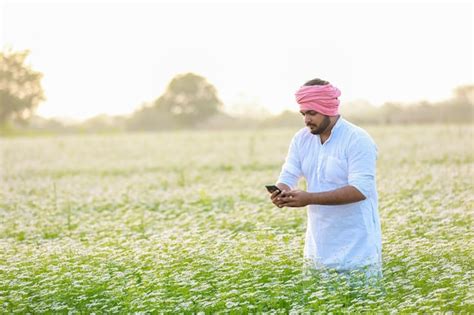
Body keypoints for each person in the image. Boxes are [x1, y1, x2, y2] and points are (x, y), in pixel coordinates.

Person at [270, 78, 382, 282]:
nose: (306, 119)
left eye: (312, 113)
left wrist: (309, 198)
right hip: (317, 252)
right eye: (303, 113)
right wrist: (281, 192)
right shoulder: (301, 139)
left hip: (357, 251)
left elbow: (360, 189)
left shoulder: (357, 139)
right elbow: (288, 175)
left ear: (329, 108)